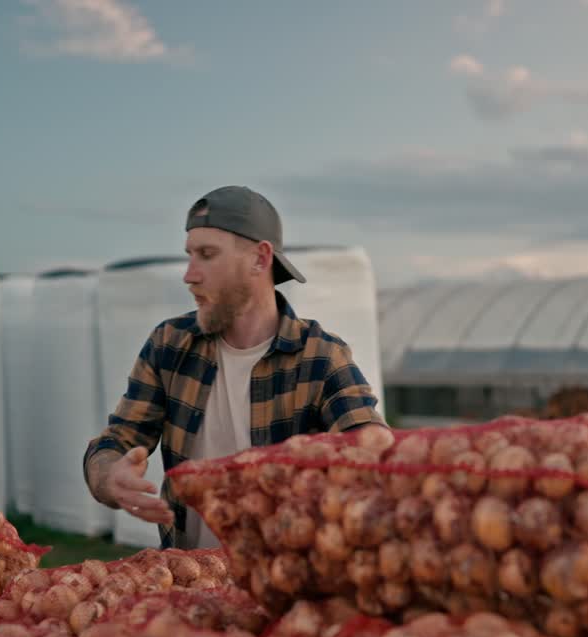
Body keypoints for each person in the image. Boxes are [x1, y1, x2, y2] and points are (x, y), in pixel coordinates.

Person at [83, 185, 385, 549]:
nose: (189, 275)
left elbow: (372, 450)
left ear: (260, 258)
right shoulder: (170, 345)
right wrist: (109, 477)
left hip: (284, 585)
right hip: (189, 583)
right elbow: (116, 441)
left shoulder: (320, 357)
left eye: (207, 255)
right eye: (189, 255)